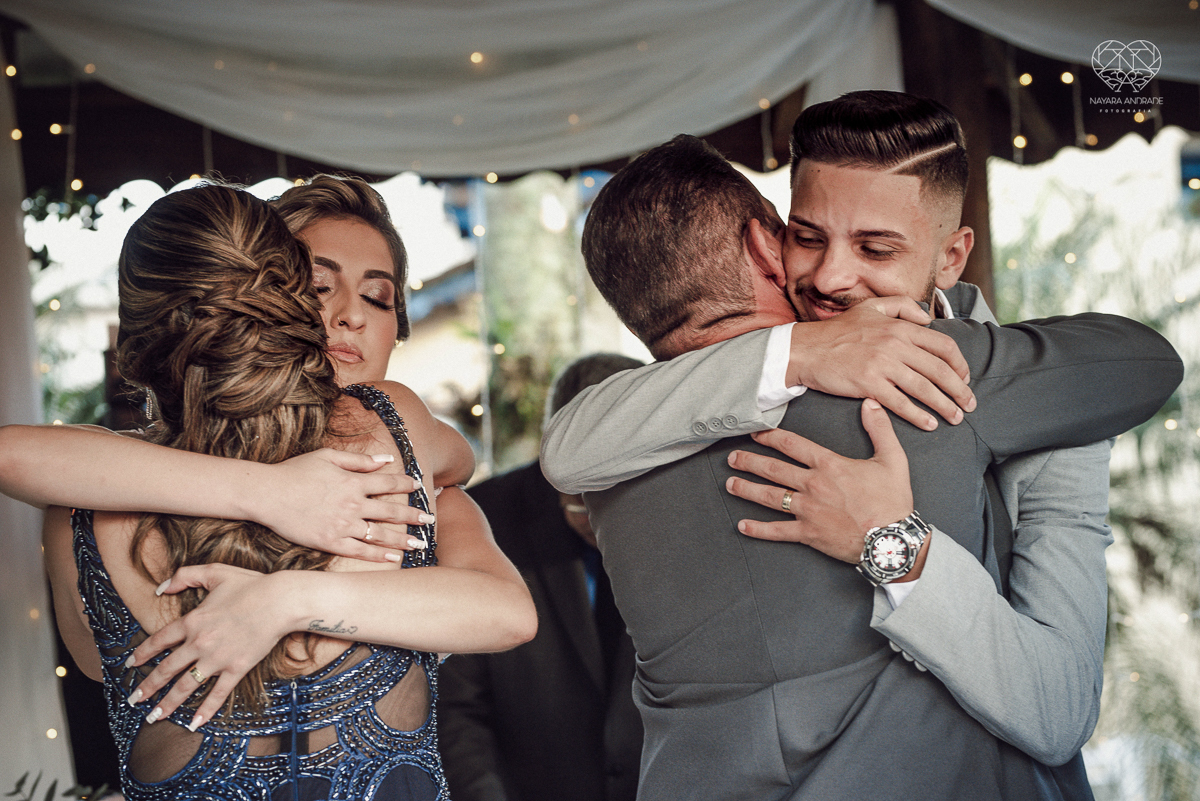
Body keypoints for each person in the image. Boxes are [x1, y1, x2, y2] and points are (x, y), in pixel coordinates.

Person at [539, 128, 1181, 798]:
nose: (831, 273)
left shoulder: (615, 464)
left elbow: (569, 444)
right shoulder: (913, 370)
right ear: (765, 242)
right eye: (800, 233)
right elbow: (1144, 363)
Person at [37, 183, 536, 801]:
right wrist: (265, 492)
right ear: (257, 296)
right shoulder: (396, 447)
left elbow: (96, 662)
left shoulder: (82, 502)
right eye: (317, 287)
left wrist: (285, 599)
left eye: (379, 298)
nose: (350, 314)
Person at [439, 353, 646, 801]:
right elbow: (458, 707)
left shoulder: (692, 515)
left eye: (620, 486)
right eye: (581, 496)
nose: (600, 514)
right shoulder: (482, 520)